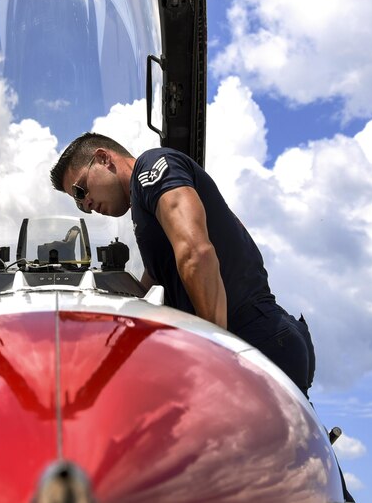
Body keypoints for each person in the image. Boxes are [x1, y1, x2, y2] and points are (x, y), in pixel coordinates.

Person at [49, 132, 316, 397]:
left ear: (103, 158)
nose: (86, 204)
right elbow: (151, 288)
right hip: (252, 340)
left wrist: (215, 352)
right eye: (78, 204)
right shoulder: (146, 211)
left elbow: (195, 253)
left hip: (253, 339)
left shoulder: (153, 167)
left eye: (80, 190)